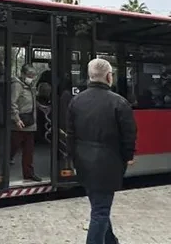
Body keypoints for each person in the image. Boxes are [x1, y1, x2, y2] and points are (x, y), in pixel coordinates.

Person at [67, 58, 137, 244]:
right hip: (108, 163)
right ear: (108, 76)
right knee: (100, 211)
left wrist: (73, 157)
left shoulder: (76, 101)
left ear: (90, 76)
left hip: (83, 162)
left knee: (98, 205)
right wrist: (128, 156)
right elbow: (128, 134)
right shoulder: (119, 102)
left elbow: (70, 135)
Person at [10, 64, 41, 182]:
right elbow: (12, 103)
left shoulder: (31, 87)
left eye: (33, 76)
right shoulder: (17, 85)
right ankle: (5, 166)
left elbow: (32, 102)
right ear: (23, 74)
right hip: (19, 123)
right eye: (29, 75)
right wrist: (16, 119)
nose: (31, 78)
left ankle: (29, 173)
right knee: (13, 146)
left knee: (29, 151)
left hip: (30, 123)